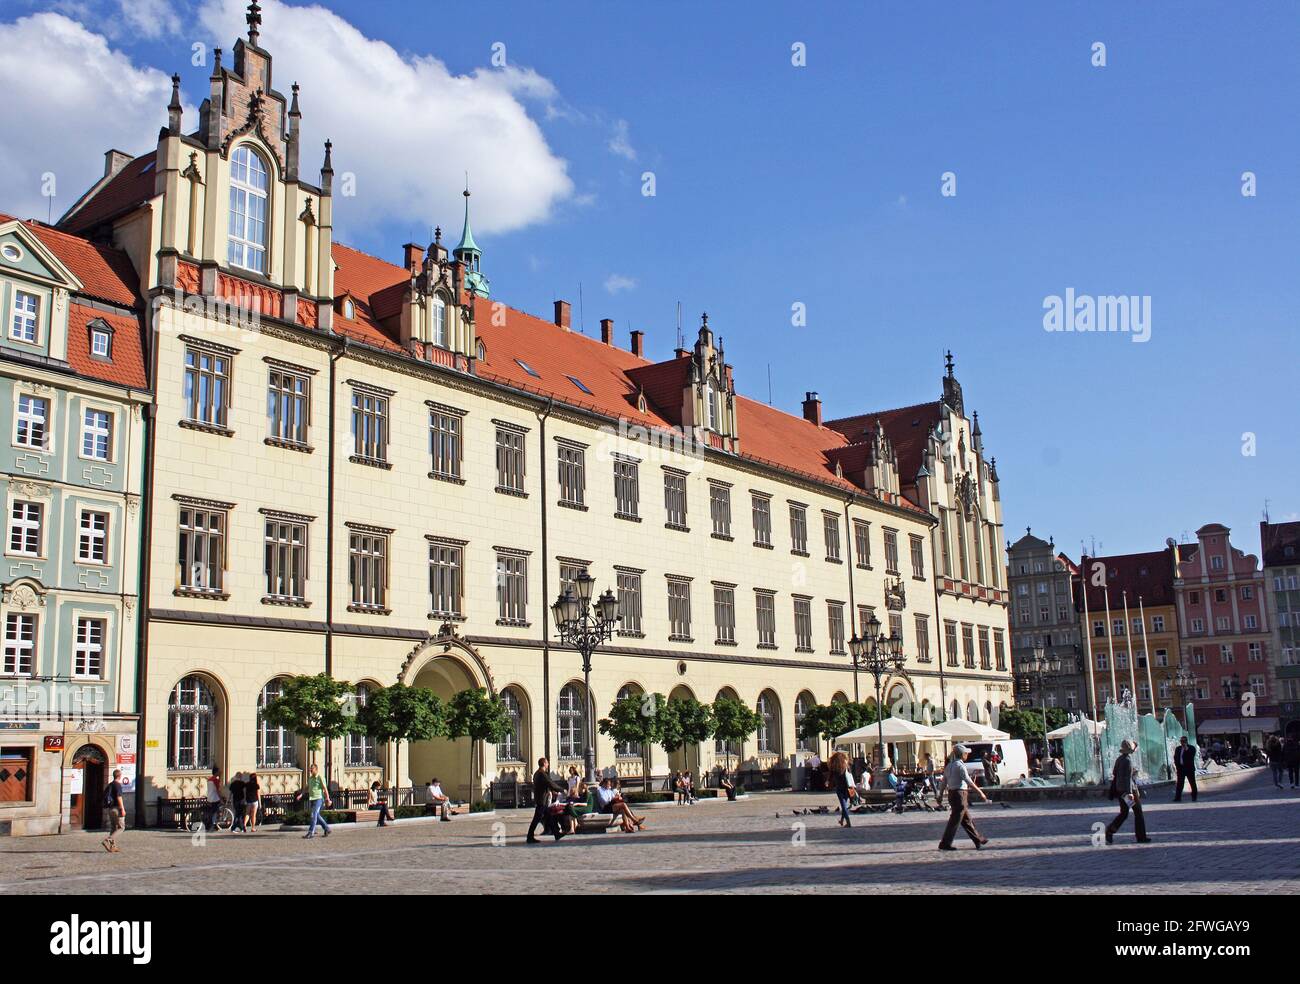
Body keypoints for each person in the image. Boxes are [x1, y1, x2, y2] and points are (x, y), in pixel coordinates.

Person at [938, 744, 989, 851]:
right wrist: (980, 793)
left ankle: (978, 840)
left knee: (966, 819)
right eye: (966, 753)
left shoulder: (949, 766)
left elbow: (943, 783)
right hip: (960, 795)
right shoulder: (960, 766)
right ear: (962, 754)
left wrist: (940, 795)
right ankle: (945, 843)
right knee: (955, 821)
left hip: (952, 794)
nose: (967, 755)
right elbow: (968, 781)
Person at [1105, 739, 1150, 845]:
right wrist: (1130, 793)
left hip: (1120, 790)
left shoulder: (1120, 759)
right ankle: (1141, 837)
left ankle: (1110, 830)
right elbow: (1127, 778)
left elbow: (1115, 773)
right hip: (1128, 791)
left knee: (1124, 813)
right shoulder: (1128, 760)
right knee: (1138, 812)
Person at [526, 757, 567, 844]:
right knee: (536, 819)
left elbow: (545, 785)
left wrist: (551, 791)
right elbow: (550, 783)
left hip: (541, 799)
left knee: (549, 817)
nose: (548, 764)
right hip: (542, 800)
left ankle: (556, 833)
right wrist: (562, 790)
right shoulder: (542, 774)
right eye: (547, 763)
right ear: (544, 764)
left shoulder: (537, 773)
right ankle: (529, 837)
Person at [297, 763, 332, 839]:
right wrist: (301, 795)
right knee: (317, 816)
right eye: (310, 769)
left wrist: (328, 799)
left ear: (316, 769)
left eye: (311, 769)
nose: (310, 770)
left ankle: (311, 832)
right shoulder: (310, 778)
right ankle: (327, 828)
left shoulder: (320, 777)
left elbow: (325, 789)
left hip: (319, 799)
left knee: (313, 815)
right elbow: (306, 788)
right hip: (312, 799)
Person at [101, 768, 125, 853]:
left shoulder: (110, 784)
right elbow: (119, 797)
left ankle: (113, 847)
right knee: (121, 827)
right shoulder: (117, 785)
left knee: (113, 827)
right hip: (117, 809)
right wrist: (122, 809)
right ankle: (108, 840)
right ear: (119, 776)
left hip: (110, 809)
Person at [829, 751, 852, 827]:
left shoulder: (834, 767)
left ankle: (848, 822)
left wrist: (828, 782)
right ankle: (842, 821)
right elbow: (850, 775)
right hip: (847, 787)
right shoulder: (846, 766)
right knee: (844, 804)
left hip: (839, 788)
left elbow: (831, 777)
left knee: (843, 805)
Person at [1172, 736, 1198, 803]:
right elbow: (1175, 757)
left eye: (1184, 741)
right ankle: (1178, 797)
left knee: (1192, 783)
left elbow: (1191, 755)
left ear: (1186, 741)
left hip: (1189, 768)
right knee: (1180, 784)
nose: (1182, 743)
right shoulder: (1178, 748)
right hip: (1181, 768)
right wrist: (1177, 765)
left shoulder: (1191, 748)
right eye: (1181, 741)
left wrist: (1186, 748)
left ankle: (1194, 797)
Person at [203, 766, 223, 831]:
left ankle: (212, 825)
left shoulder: (209, 779)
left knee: (212, 812)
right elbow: (218, 790)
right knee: (214, 813)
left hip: (210, 797)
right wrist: (221, 798)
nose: (220, 772)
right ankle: (212, 826)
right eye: (219, 771)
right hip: (215, 798)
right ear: (216, 772)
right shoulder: (215, 780)